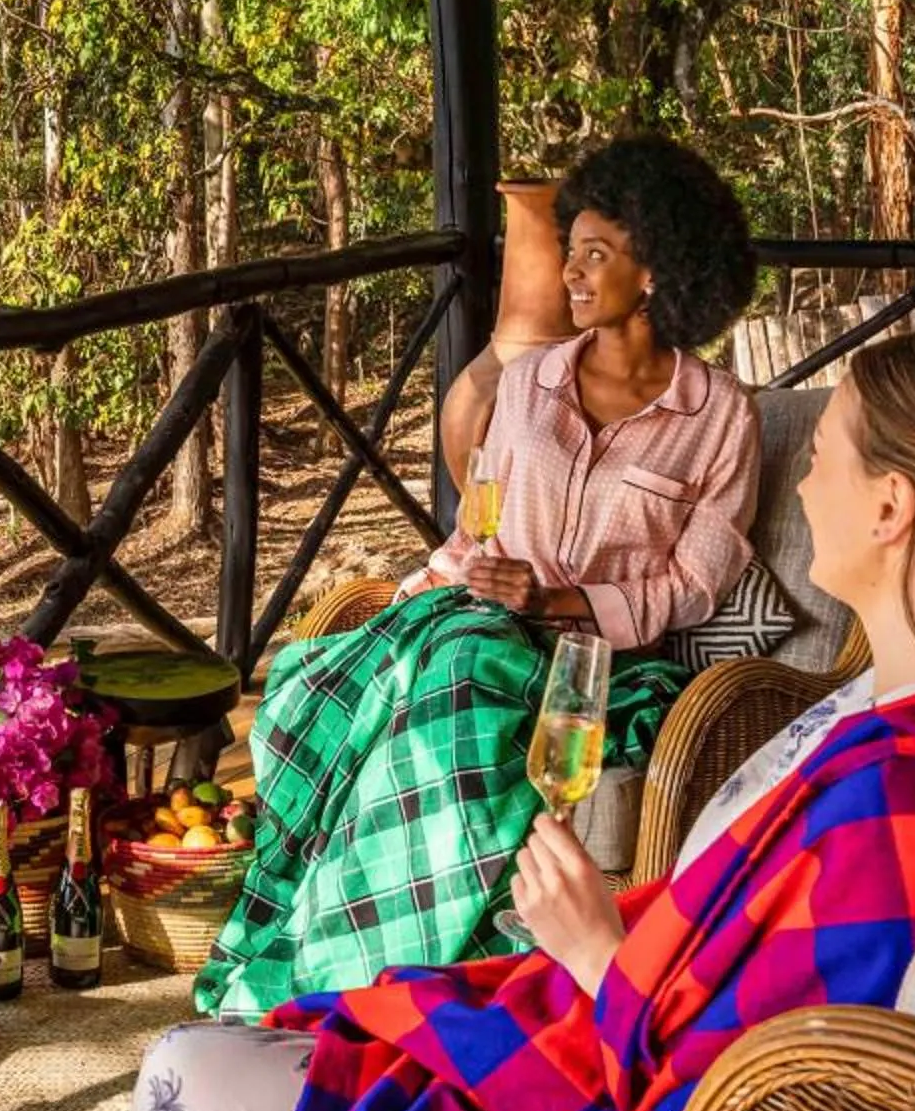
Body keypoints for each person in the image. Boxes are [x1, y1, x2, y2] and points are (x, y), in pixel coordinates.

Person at [135, 326, 915, 1111]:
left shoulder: (907, 813)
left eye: (823, 456)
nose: (802, 484)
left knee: (183, 1067)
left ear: (891, 508)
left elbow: (751, 1102)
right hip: (611, 999)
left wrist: (596, 949)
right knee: (267, 1030)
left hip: (612, 1049)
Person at [191, 138, 763, 1022]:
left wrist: (558, 600)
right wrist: (414, 598)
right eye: (569, 250)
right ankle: (350, 961)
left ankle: (341, 984)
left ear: (655, 270)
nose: (570, 273)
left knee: (462, 670)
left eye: (595, 255)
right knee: (347, 676)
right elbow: (475, 535)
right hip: (478, 624)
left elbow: (695, 585)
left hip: (603, 666)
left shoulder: (720, 417)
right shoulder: (529, 383)